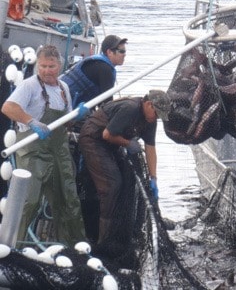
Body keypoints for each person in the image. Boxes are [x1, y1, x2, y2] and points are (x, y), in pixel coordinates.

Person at [1, 45, 86, 246]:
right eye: (43, 66)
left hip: (58, 151)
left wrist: (77, 116)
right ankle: (10, 246)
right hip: (33, 151)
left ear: (60, 65)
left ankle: (74, 247)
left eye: (51, 66)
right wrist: (31, 121)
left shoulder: (64, 88)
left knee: (68, 200)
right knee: (29, 201)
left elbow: (65, 122)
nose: (47, 70)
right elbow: (8, 107)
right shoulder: (29, 86)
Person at [78, 90, 169, 243]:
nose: (157, 117)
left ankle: (116, 231)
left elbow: (150, 147)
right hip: (92, 139)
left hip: (110, 145)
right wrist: (128, 143)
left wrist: (154, 178)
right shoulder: (130, 108)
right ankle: (103, 238)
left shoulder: (150, 119)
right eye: (157, 113)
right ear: (148, 104)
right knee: (112, 184)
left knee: (124, 183)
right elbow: (107, 134)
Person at [60, 34, 127, 109]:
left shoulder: (96, 62)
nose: (125, 54)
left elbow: (102, 101)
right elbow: (107, 104)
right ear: (109, 52)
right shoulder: (105, 69)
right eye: (122, 51)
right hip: (64, 105)